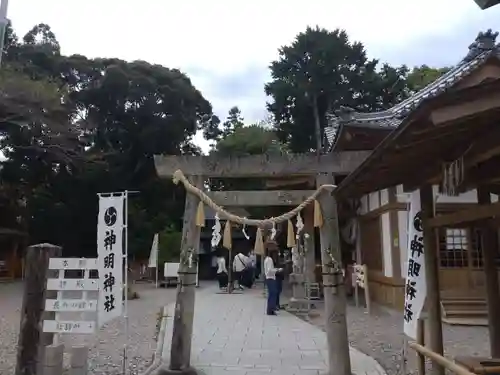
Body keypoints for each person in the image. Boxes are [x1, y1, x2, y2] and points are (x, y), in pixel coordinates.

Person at [264, 243, 282, 315]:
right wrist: (277, 270)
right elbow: (269, 270)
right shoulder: (269, 260)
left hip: (269, 278)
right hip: (270, 278)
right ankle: (270, 309)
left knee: (272, 293)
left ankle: (270, 309)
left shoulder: (267, 259)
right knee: (273, 293)